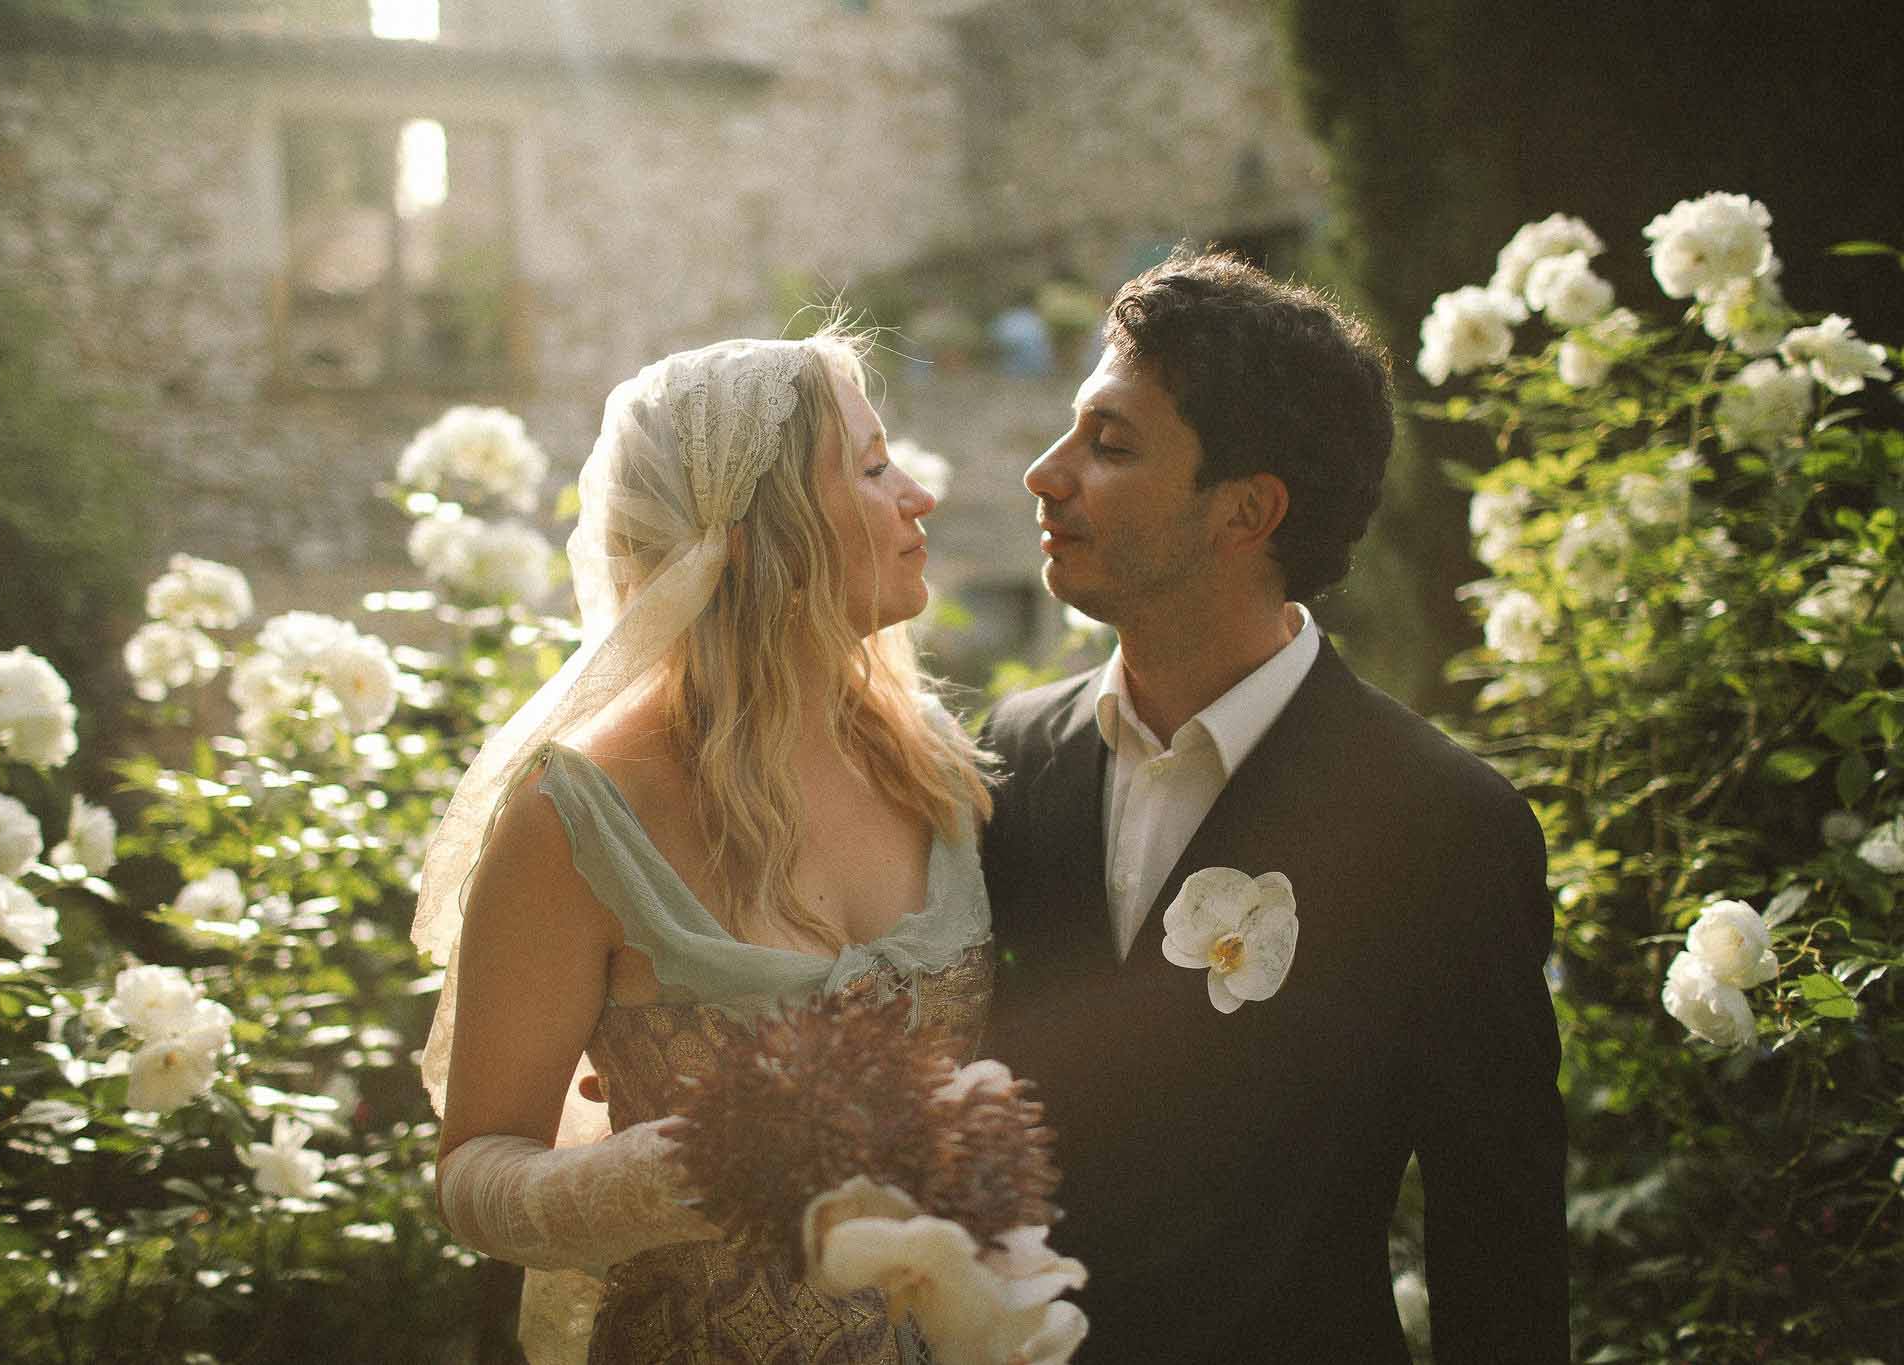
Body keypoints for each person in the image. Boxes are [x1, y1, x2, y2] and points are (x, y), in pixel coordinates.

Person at [979, 248, 1569, 1362]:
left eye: (1110, 444)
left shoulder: (1443, 826)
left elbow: (1500, 1246)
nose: (1045, 475)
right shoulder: (1009, 757)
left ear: (1246, 511)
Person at [411, 335, 995, 1363]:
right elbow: (473, 1173)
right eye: (871, 468)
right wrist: (665, 1172)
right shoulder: (575, 819)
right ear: (767, 532)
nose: (918, 496)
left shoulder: (935, 766)